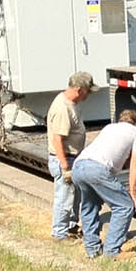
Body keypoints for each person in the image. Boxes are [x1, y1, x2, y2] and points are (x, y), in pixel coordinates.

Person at [72, 108, 136, 258]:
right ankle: (112, 251)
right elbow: (135, 163)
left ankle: (92, 250)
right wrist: (133, 191)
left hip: (79, 166)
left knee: (90, 206)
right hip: (97, 169)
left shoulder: (109, 127)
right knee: (124, 206)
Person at [47, 72, 94, 240]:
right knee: (64, 198)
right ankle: (59, 233)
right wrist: (65, 165)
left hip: (73, 157)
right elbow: (57, 138)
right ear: (79, 89)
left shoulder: (73, 104)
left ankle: (71, 226)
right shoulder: (62, 108)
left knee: (74, 196)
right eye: (88, 91)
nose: (89, 95)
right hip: (65, 158)